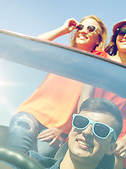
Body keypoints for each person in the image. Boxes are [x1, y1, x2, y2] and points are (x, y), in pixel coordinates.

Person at [7, 15, 108, 158]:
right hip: (32, 114)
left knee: (35, 160)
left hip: (59, 129)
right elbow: (30, 45)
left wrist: (63, 129)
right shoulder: (62, 53)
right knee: (18, 140)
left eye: (91, 29)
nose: (84, 31)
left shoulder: (99, 64)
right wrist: (63, 29)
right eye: (80, 27)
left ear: (98, 38)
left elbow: (87, 104)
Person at [79, 12, 126, 169]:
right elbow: (85, 96)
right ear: (116, 36)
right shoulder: (98, 60)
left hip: (118, 141)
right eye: (122, 31)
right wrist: (83, 125)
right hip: (87, 130)